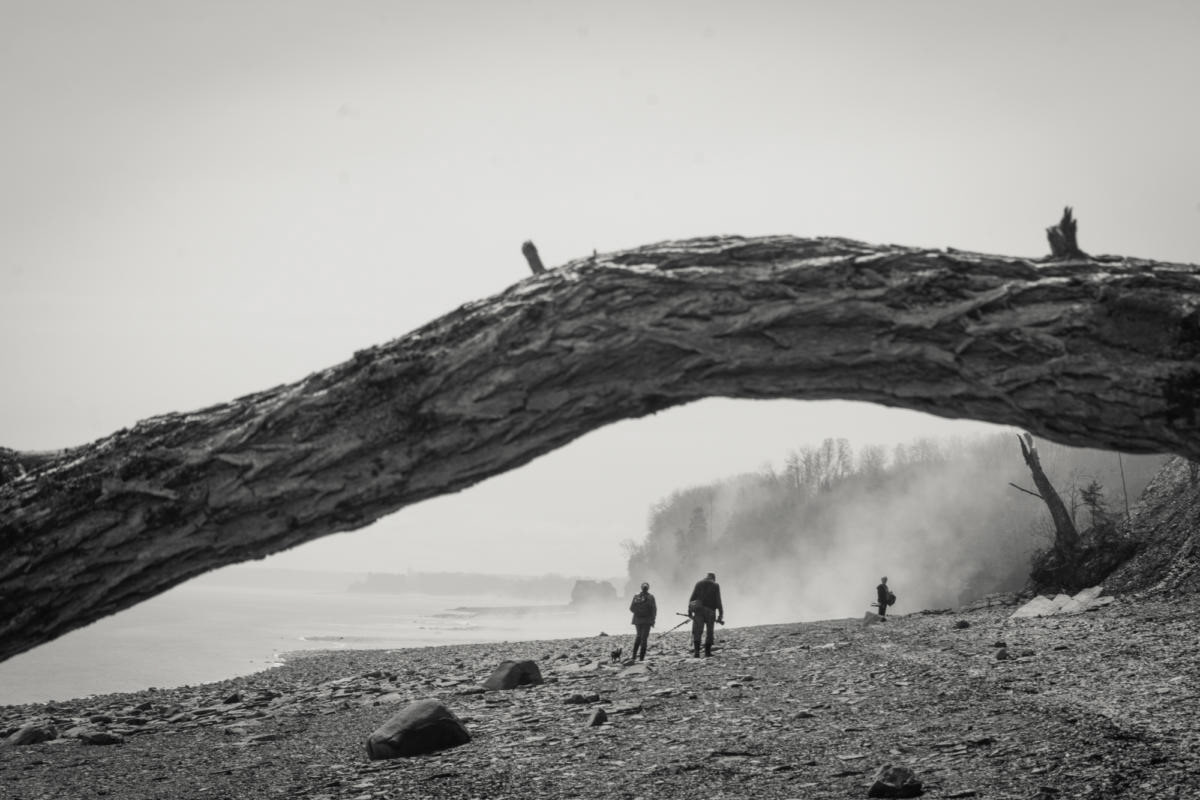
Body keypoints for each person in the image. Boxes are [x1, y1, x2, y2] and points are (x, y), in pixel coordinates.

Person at [688, 572, 724, 657]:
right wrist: (721, 614)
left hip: (698, 611)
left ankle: (697, 653)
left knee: (697, 631)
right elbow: (718, 601)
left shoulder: (699, 583)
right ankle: (707, 653)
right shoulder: (715, 585)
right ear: (713, 578)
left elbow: (692, 598)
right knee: (709, 632)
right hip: (710, 611)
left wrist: (689, 612)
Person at [628, 582, 657, 661]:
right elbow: (654, 610)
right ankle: (641, 658)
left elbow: (631, 608)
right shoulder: (651, 597)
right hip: (647, 621)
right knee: (644, 639)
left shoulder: (636, 596)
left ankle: (634, 656)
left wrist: (638, 613)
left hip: (637, 620)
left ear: (641, 588)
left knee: (638, 636)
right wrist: (653, 621)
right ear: (648, 588)